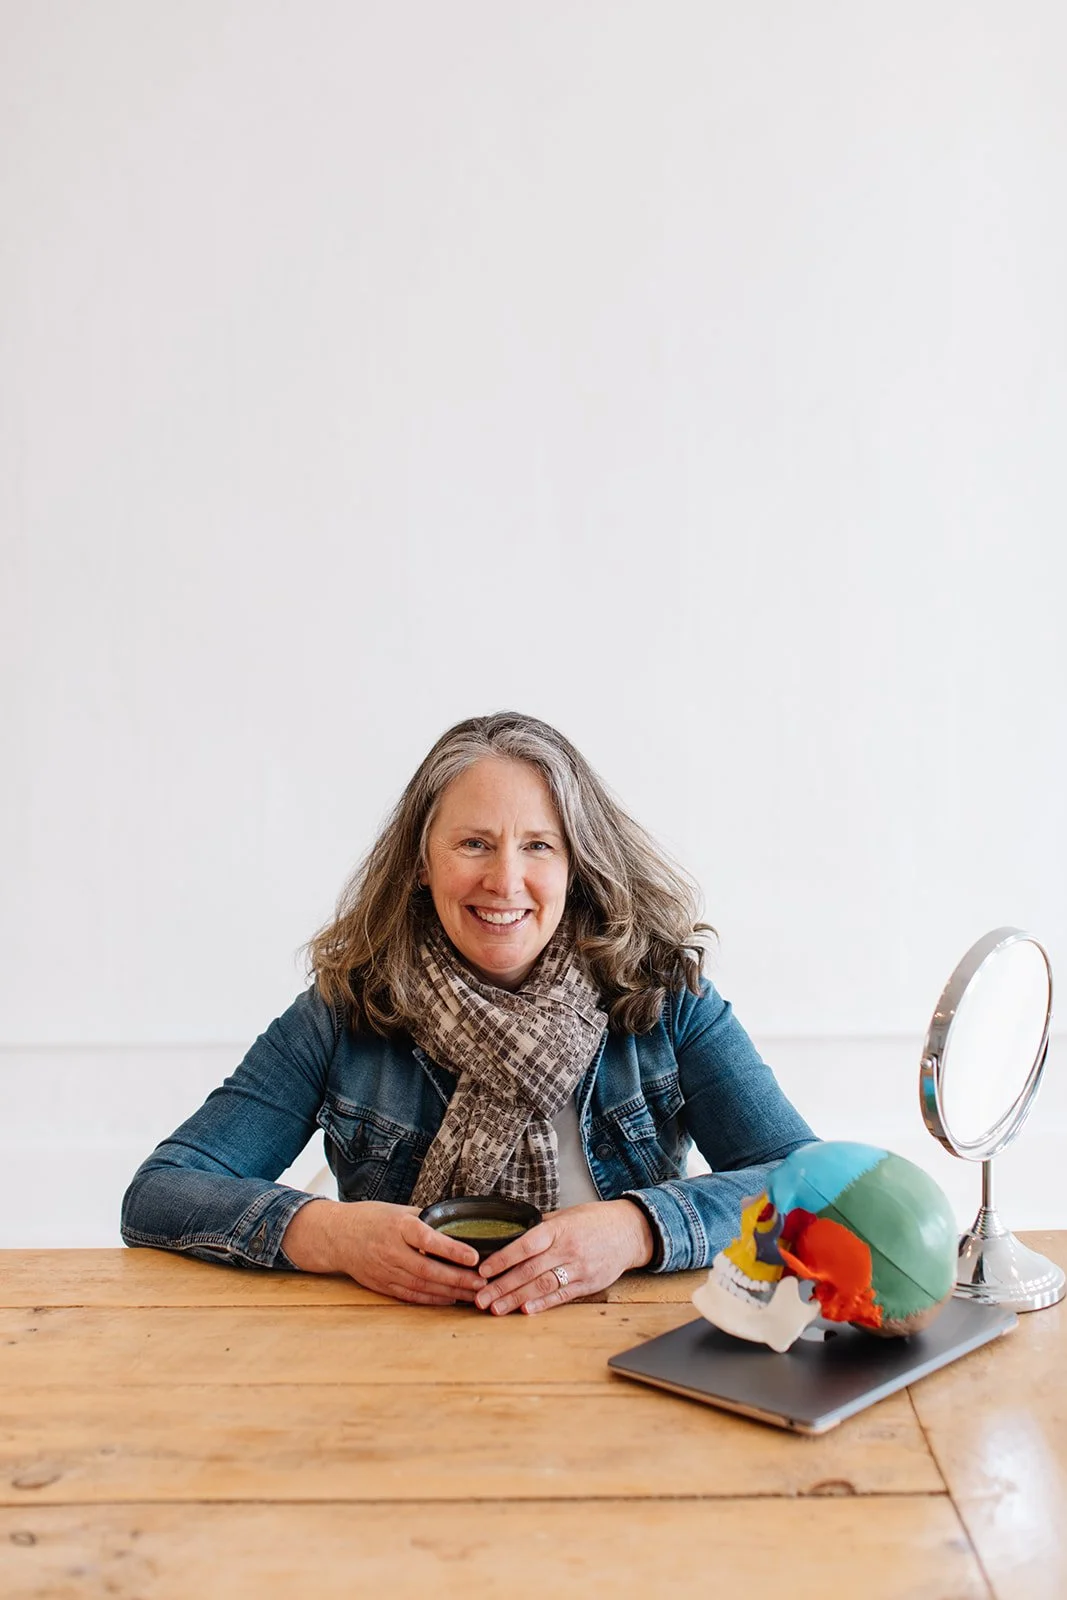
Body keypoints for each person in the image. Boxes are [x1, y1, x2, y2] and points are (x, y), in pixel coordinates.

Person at [121, 711, 815, 1314]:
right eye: (474, 843)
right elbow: (160, 1194)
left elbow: (810, 1186)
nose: (505, 880)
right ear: (422, 863)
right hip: (396, 1362)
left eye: (538, 845)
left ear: (576, 866)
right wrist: (332, 1235)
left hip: (621, 1354)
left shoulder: (666, 1001)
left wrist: (637, 1230)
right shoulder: (341, 1013)